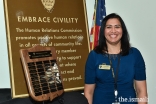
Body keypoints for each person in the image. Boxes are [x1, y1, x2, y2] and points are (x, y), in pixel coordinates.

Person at [84, 13, 148, 104]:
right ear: (103, 31)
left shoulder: (134, 54)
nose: (113, 31)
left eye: (117, 27)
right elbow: (88, 92)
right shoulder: (94, 56)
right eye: (109, 27)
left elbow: (141, 91)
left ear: (123, 30)